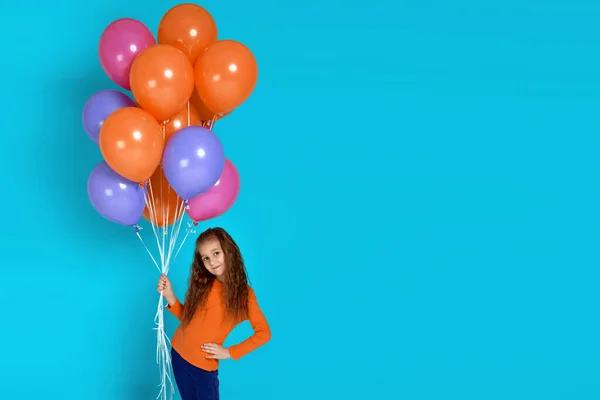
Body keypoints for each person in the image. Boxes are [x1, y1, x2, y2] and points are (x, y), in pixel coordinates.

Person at [156, 227, 271, 400]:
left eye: (216, 253)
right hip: (178, 355)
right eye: (206, 258)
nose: (212, 261)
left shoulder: (244, 295)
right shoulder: (204, 284)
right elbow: (188, 319)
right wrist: (170, 295)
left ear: (229, 251)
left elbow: (264, 333)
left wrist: (230, 352)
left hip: (203, 369)